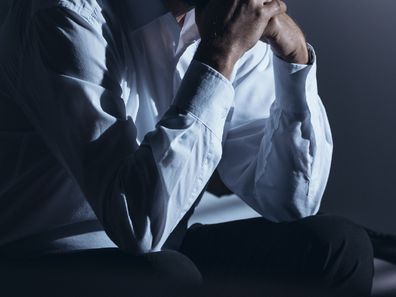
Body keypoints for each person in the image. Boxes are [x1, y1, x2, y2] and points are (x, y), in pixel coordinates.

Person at [0, 0, 373, 296]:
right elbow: (134, 222)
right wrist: (219, 55)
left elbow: (291, 203)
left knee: (339, 248)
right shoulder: (66, 14)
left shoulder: (225, 15)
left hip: (163, 248)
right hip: (45, 258)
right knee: (169, 276)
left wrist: (294, 63)